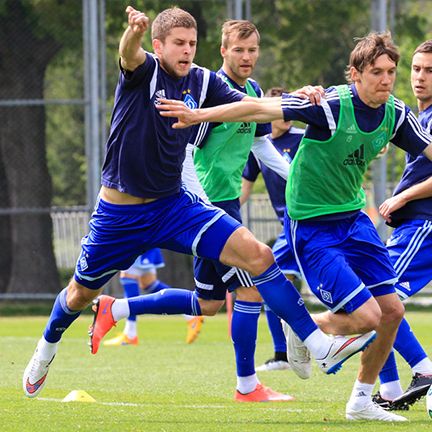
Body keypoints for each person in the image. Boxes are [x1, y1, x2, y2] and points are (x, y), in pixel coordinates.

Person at [23, 6, 373, 403]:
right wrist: (133, 32)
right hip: (119, 215)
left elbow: (254, 108)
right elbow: (128, 55)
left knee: (258, 256)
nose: (187, 50)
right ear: (159, 45)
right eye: (178, 43)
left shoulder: (203, 82)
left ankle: (318, 345)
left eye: (191, 43)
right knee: (77, 296)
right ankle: (47, 347)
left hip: (175, 207)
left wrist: (303, 99)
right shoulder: (145, 71)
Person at [158, 31, 432, 422]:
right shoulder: (330, 105)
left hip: (354, 220)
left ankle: (360, 400)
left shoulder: (396, 113)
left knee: (391, 312)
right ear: (355, 74)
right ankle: (306, 328)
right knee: (369, 317)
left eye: (391, 71)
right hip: (314, 227)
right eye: (376, 72)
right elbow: (257, 109)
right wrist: (200, 114)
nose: (386, 80)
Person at [181, 21, 295, 401]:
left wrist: (296, 176)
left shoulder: (253, 92)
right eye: (239, 50)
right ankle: (247, 385)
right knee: (249, 290)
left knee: (209, 303)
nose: (247, 57)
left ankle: (117, 309)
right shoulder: (208, 92)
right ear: (223, 52)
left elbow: (262, 148)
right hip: (208, 205)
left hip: (227, 203)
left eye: (252, 50)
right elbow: (187, 151)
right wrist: (201, 205)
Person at [372, 39, 432, 410]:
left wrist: (403, 198)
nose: (419, 78)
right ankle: (393, 391)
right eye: (416, 69)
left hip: (425, 226)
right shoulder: (417, 116)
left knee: (378, 299)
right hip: (413, 225)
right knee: (378, 300)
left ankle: (422, 371)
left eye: (429, 71)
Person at [240, 86, 304, 372]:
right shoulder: (258, 145)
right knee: (273, 284)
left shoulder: (303, 138)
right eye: (282, 107)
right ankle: (286, 352)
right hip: (288, 228)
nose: (287, 114)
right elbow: (244, 190)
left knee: (264, 279)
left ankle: (291, 349)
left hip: (306, 222)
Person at [102, 249, 204, 346]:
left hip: (137, 238)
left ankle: (130, 334)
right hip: (145, 238)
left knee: (127, 277)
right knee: (148, 283)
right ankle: (191, 315)